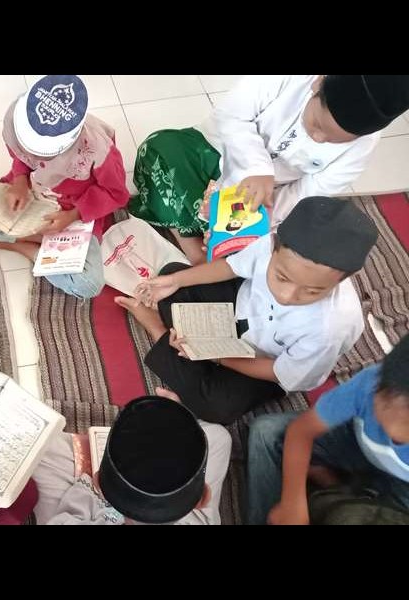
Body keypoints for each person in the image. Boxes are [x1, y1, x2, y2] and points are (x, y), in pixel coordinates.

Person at [116, 196, 377, 424]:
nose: (287, 296)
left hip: (264, 362)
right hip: (239, 305)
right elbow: (232, 267)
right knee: (173, 279)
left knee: (217, 407)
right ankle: (188, 361)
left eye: (312, 292)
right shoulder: (270, 243)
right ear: (274, 246)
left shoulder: (329, 328)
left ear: (340, 281)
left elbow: (279, 372)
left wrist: (218, 357)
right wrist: (175, 281)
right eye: (282, 277)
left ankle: (157, 329)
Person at [127, 75, 409, 264]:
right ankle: (192, 240)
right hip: (208, 150)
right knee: (157, 149)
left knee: (262, 246)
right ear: (318, 84)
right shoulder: (287, 78)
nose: (318, 138)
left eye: (333, 140)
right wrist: (256, 166)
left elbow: (308, 192)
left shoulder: (362, 146)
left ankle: (197, 235)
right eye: (318, 125)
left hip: (267, 196)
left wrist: (256, 216)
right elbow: (231, 116)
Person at [0, 75, 129, 299]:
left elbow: (116, 193)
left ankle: (16, 244)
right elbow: (20, 156)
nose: (32, 156)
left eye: (42, 153)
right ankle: (41, 241)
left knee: (88, 285)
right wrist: (20, 180)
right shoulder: (17, 117)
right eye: (28, 148)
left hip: (70, 212)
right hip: (28, 196)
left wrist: (72, 215)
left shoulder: (98, 149)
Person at [247, 334, 409, 525]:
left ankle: (339, 490)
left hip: (401, 489)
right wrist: (292, 502)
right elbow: (301, 431)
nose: (391, 432)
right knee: (266, 431)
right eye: (384, 404)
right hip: (356, 445)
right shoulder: (371, 383)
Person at [32, 390, 231, 525]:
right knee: (218, 436)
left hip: (95, 506)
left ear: (97, 480)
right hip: (126, 498)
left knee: (43, 445)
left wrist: (90, 487)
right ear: (203, 498)